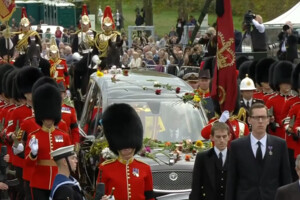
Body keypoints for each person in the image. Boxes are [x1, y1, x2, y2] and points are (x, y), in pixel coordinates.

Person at [226, 103, 292, 200]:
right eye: (256, 118)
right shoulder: (237, 146)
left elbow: (286, 178)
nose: (260, 121)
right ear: (249, 120)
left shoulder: (279, 145)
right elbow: (231, 180)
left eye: (263, 117)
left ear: (268, 120)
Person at [97, 103, 154, 200]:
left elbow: (150, 197)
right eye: (122, 144)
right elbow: (98, 197)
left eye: (128, 144)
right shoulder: (105, 168)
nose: (125, 147)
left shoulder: (145, 168)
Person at [25, 83, 71, 200]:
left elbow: (70, 160)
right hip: (39, 181)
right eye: (45, 118)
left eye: (50, 117)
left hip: (59, 181)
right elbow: (28, 163)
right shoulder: (33, 136)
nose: (48, 120)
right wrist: (33, 154)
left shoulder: (63, 135)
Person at [190, 122, 231, 200]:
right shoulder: (202, 157)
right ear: (211, 137)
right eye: (218, 137)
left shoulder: (235, 157)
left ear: (229, 137)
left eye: (224, 136)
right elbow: (196, 186)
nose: (221, 140)